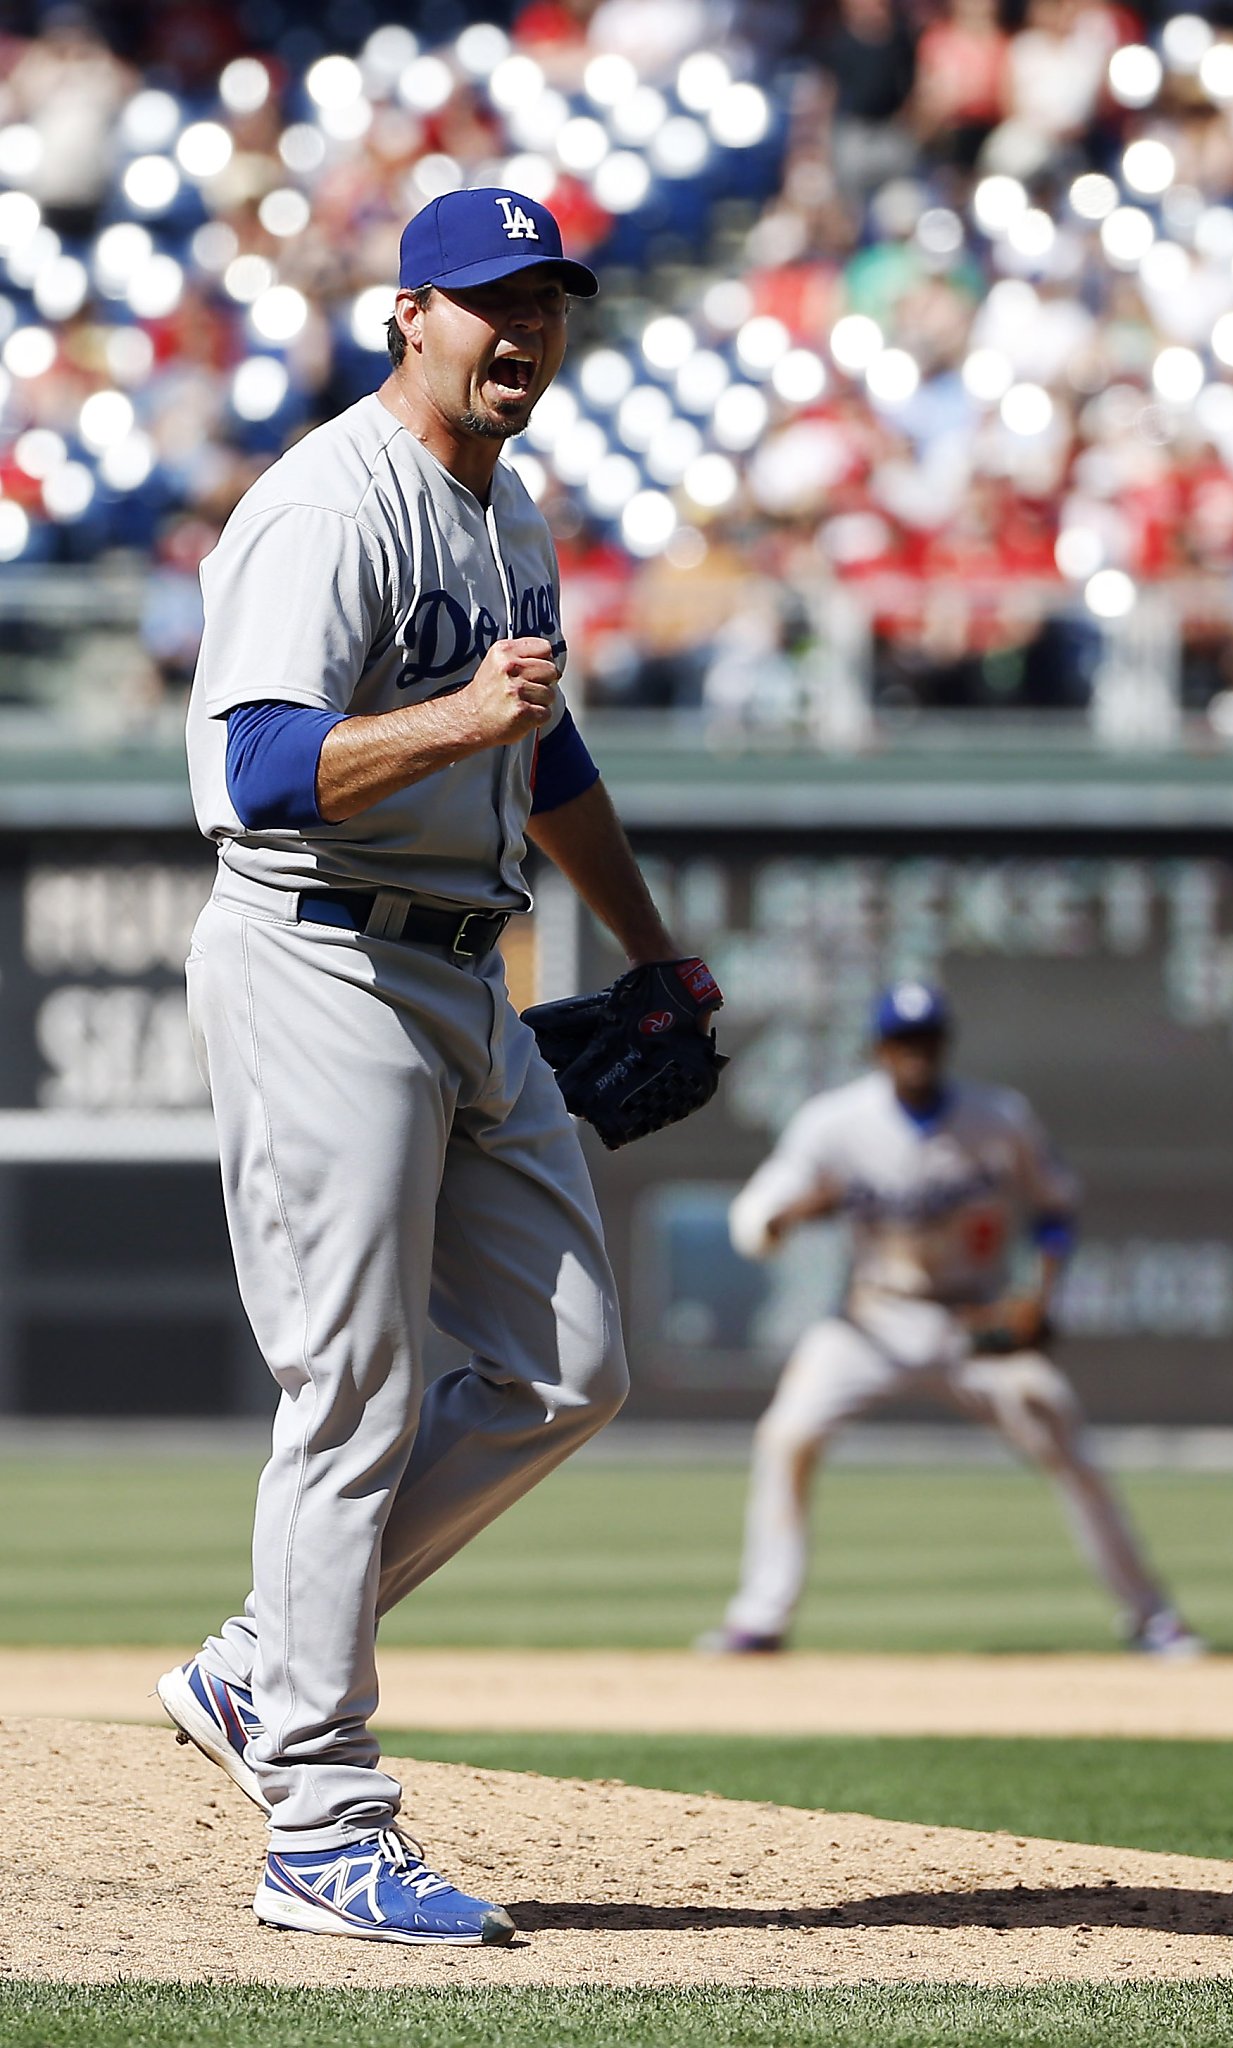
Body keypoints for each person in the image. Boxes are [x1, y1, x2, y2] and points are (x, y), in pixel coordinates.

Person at [160, 187, 709, 1947]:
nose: (522, 330)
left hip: (467, 969)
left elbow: (548, 765)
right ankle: (319, 1815)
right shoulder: (328, 505)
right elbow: (251, 768)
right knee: (355, 1385)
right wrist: (466, 716)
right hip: (319, 954)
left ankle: (263, 1661)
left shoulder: (511, 507)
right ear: (409, 313)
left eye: (545, 300)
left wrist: (641, 939)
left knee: (567, 1366)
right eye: (489, 301)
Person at [702, 981, 1202, 1658]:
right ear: (880, 1048)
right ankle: (761, 1616)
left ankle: (1151, 1615)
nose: (916, 1052)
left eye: (928, 1038)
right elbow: (759, 1212)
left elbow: (1055, 1210)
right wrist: (777, 1221)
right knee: (786, 1436)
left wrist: (1038, 1296)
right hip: (873, 1321)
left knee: (1068, 1445)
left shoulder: (998, 1118)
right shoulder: (836, 1122)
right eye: (904, 1040)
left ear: (945, 1044)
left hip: (973, 1320)